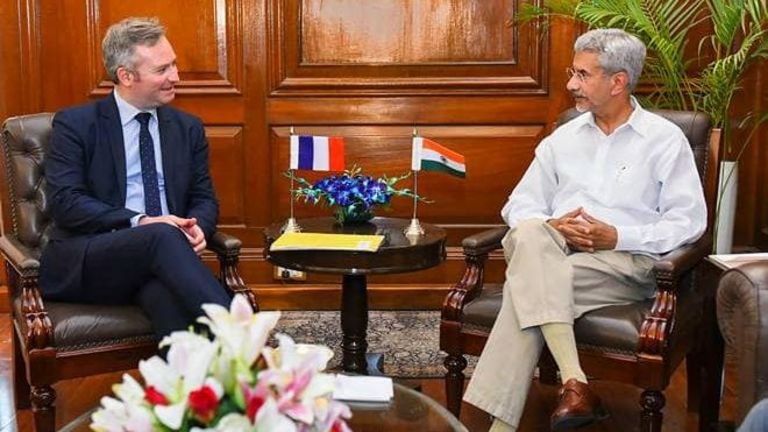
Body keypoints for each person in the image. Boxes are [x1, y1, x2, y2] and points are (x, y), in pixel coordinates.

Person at [463, 28, 707, 431]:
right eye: (571, 73)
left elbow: (688, 222)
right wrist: (552, 225)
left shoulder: (665, 141)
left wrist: (618, 236)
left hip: (625, 263)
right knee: (530, 233)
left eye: (582, 74)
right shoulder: (564, 138)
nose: (571, 85)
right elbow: (519, 205)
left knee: (526, 286)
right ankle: (576, 383)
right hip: (555, 252)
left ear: (618, 82)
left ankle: (505, 425)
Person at [39, 17, 231, 338]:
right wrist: (141, 221)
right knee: (161, 235)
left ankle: (194, 372)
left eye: (174, 65)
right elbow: (66, 202)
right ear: (126, 76)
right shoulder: (76, 125)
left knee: (164, 296)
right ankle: (247, 342)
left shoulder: (188, 128)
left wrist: (198, 226)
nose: (176, 76)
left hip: (162, 259)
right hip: (92, 257)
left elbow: (203, 197)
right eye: (162, 69)